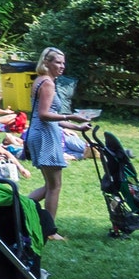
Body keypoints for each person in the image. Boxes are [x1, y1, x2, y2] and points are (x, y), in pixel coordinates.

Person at [24, 48, 86, 239]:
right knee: (55, 186)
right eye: (58, 62)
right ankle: (49, 231)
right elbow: (44, 114)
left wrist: (76, 126)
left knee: (50, 184)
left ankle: (17, 208)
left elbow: (51, 117)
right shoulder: (48, 83)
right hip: (45, 135)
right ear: (47, 63)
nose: (62, 66)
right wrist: (71, 115)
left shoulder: (40, 81)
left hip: (39, 131)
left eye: (63, 63)